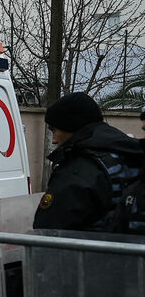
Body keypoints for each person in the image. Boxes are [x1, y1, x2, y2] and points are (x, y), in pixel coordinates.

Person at [34, 91, 143, 232]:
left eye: (54, 130)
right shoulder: (129, 153)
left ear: (71, 127)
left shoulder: (79, 171)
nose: (54, 139)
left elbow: (48, 231)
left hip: (89, 252)